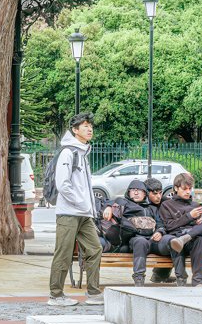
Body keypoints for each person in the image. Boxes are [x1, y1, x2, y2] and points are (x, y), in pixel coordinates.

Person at [46, 113, 101, 307]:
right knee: (64, 253)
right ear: (75, 130)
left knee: (95, 249)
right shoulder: (68, 152)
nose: (89, 129)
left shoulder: (83, 152)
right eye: (84, 126)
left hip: (84, 214)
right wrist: (81, 203)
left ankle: (94, 292)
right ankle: (56, 294)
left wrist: (88, 208)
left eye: (90, 126)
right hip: (69, 213)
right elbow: (63, 184)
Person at [150, 171, 202, 285]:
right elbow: (169, 226)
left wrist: (199, 221)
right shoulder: (167, 205)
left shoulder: (195, 205)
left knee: (200, 237)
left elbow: (200, 227)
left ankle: (198, 282)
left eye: (190, 188)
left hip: (192, 238)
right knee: (174, 241)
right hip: (176, 238)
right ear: (176, 188)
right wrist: (189, 216)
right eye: (184, 189)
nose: (188, 192)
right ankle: (181, 278)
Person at [101, 177, 161, 285]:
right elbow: (108, 202)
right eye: (133, 190)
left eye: (139, 190)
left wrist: (160, 232)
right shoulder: (124, 202)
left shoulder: (152, 208)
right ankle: (139, 278)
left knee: (169, 241)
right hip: (134, 240)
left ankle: (164, 275)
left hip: (153, 240)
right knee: (140, 241)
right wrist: (109, 207)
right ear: (129, 192)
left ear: (145, 193)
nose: (136, 192)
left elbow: (160, 223)